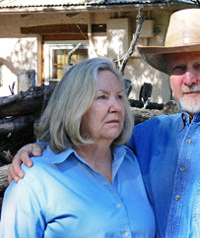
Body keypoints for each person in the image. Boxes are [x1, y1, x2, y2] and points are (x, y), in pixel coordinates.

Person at [8, 8, 200, 237]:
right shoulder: (147, 137)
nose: (189, 78)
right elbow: (88, 142)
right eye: (179, 67)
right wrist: (39, 149)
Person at [1, 57, 155, 237]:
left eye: (119, 97)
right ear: (74, 106)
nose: (116, 107)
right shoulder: (33, 181)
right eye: (102, 97)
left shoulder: (132, 163)